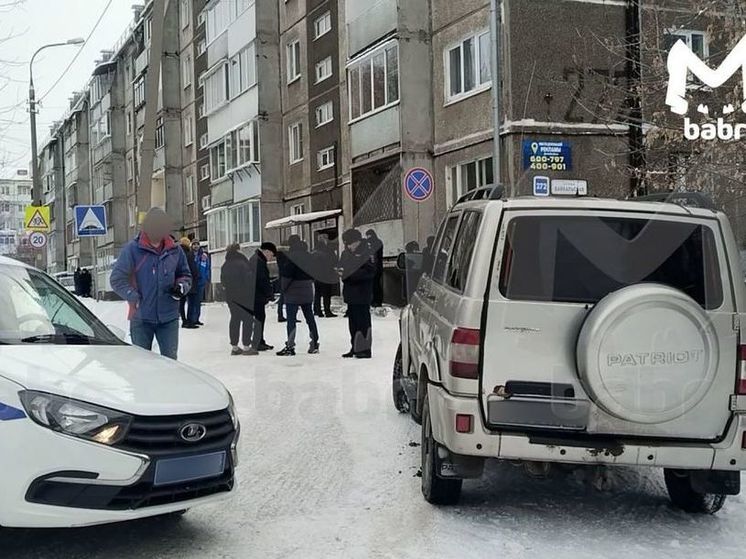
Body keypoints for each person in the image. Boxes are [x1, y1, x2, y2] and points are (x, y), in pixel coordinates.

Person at [110, 208, 192, 360]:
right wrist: (132, 296)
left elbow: (185, 275)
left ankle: (167, 384)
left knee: (170, 363)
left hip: (169, 318)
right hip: (141, 318)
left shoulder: (175, 250)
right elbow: (116, 279)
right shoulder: (132, 250)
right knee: (141, 364)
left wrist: (181, 286)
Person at [276, 236, 319, 356]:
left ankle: (290, 346)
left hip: (293, 292)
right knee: (309, 317)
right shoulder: (310, 256)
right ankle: (315, 342)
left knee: (291, 320)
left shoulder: (291, 257)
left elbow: (287, 276)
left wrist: (283, 289)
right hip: (307, 290)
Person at [339, 228, 376, 359]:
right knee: (353, 323)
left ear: (357, 241)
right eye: (346, 244)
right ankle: (354, 346)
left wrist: (351, 275)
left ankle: (365, 349)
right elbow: (342, 269)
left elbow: (370, 272)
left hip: (362, 293)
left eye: (350, 243)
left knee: (363, 322)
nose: (348, 246)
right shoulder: (346, 253)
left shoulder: (367, 252)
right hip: (350, 293)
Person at [222, 245, 260, 355]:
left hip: (230, 297)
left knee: (235, 319)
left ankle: (234, 347)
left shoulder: (225, 265)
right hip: (244, 296)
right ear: (238, 250)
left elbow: (223, 282)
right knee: (247, 320)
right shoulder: (242, 263)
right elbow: (249, 281)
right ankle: (247, 346)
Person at [248, 241, 277, 352]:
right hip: (256, 295)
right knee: (259, 318)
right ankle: (258, 342)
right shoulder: (258, 261)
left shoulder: (256, 259)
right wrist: (269, 293)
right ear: (266, 251)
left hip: (255, 294)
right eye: (271, 255)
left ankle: (259, 340)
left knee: (259, 318)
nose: (271, 258)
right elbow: (262, 280)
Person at [312, 234, 338, 318]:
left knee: (317, 294)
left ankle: (317, 310)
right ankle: (327, 311)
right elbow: (333, 261)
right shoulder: (328, 250)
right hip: (326, 275)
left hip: (317, 276)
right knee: (326, 294)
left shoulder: (314, 251)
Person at [179, 237, 200, 329]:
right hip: (189, 281)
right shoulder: (189, 254)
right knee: (191, 302)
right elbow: (192, 268)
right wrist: (196, 276)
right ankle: (190, 321)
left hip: (180, 280)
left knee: (182, 302)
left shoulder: (178, 254)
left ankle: (184, 320)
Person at [191, 241, 211, 326]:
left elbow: (207, 268)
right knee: (192, 301)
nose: (196, 246)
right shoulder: (191, 255)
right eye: (194, 244)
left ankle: (196, 318)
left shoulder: (203, 256)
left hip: (201, 281)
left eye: (197, 244)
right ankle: (191, 318)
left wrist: (206, 277)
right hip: (193, 281)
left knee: (198, 301)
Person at [366, 229, 384, 307]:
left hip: (375, 267)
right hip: (375, 267)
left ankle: (376, 300)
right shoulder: (377, 242)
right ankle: (375, 300)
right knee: (375, 285)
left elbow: (376, 255)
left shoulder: (375, 243)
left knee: (375, 285)